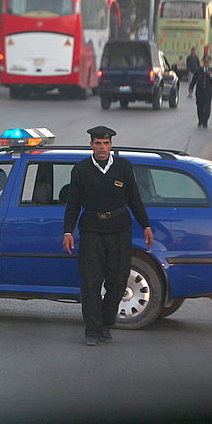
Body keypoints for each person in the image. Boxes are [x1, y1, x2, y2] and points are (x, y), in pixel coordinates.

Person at [63, 127, 153, 346]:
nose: (102, 148)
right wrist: (68, 230)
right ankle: (92, 330)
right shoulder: (81, 169)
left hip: (119, 230)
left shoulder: (123, 167)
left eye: (105, 143)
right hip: (92, 230)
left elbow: (134, 199)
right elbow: (73, 203)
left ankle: (106, 325)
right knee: (91, 282)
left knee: (117, 280)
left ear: (111, 144)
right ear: (91, 145)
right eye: (97, 143)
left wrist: (146, 225)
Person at [188, 55, 212, 128]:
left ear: (209, 63)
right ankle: (200, 120)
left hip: (208, 92)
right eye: (205, 62)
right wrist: (191, 88)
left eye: (207, 62)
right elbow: (194, 79)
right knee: (200, 107)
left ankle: (205, 121)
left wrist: (211, 75)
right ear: (203, 63)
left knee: (207, 108)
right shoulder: (198, 70)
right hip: (200, 92)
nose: (206, 64)